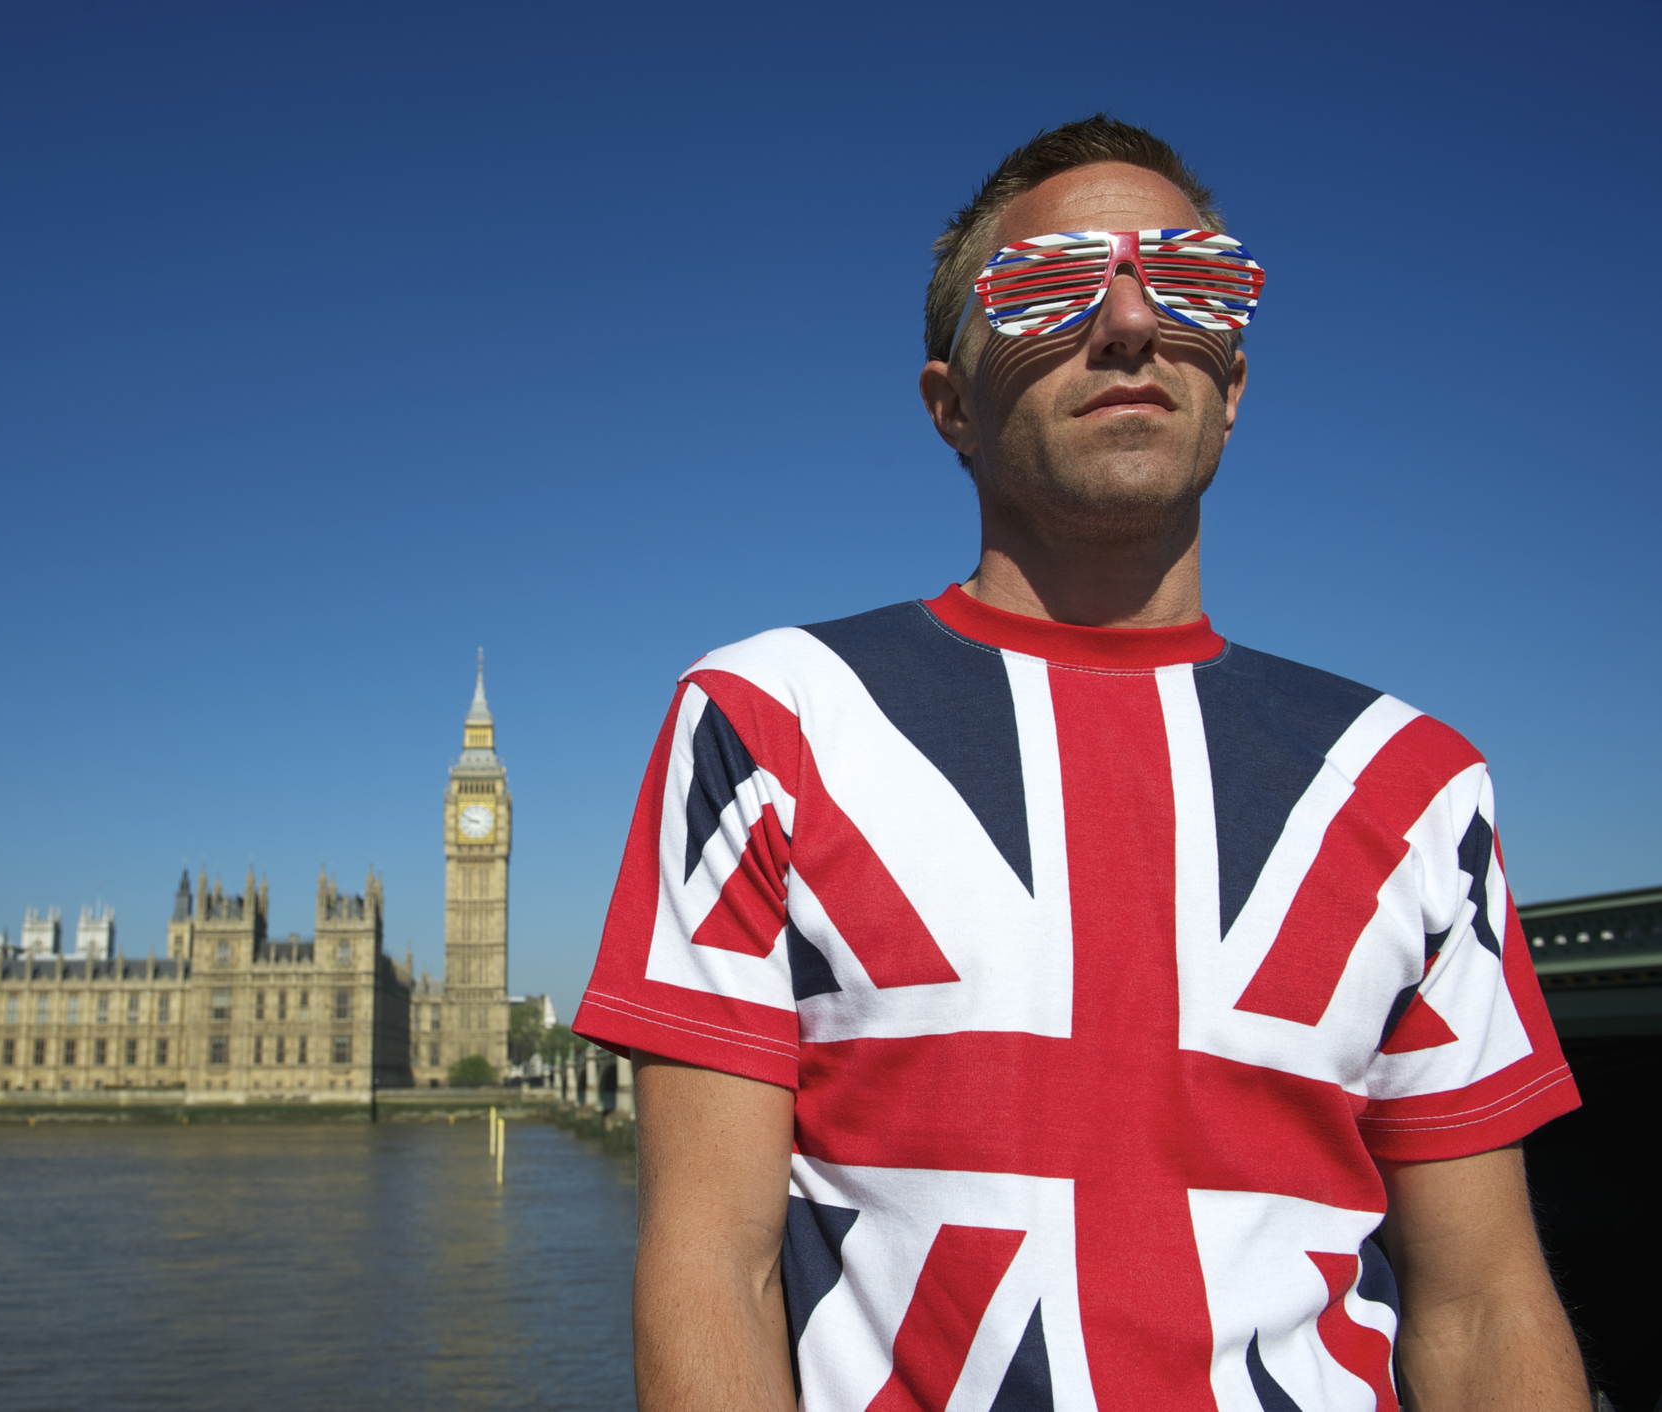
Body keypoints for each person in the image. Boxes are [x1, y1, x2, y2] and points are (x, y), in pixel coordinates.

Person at [572, 115, 1589, 1411]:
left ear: (1233, 378)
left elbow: (1487, 1307)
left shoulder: (1418, 784)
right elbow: (715, 1271)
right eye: (1050, 287)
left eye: (1195, 282)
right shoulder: (769, 723)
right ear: (949, 405)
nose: (1129, 322)